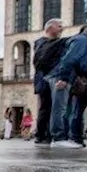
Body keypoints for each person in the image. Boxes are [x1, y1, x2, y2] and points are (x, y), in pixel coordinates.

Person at [48, 24, 87, 148]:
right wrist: (63, 78)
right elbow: (70, 59)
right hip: (61, 76)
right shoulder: (83, 40)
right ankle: (58, 138)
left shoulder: (84, 41)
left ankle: (62, 137)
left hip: (65, 76)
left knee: (64, 108)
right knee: (60, 107)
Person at [31, 18, 65, 146]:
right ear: (50, 28)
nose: (62, 28)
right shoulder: (42, 43)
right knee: (46, 107)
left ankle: (45, 134)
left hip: (47, 79)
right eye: (59, 26)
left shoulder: (48, 43)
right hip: (45, 79)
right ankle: (42, 135)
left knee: (49, 107)